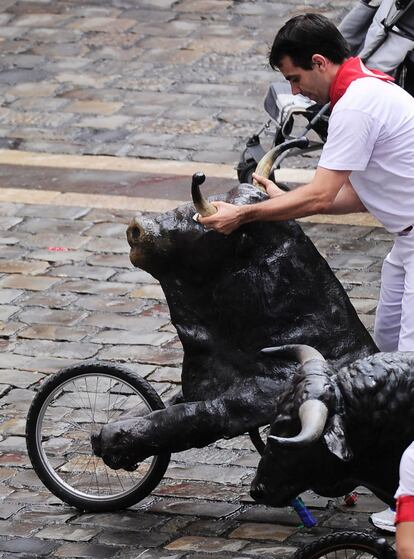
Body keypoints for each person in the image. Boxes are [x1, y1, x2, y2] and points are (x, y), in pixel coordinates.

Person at [198, 12, 414, 539]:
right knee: (384, 357)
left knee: (410, 376)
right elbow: (360, 193)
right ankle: (381, 465)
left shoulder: (356, 105)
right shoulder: (368, 92)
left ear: (320, 63)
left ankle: (410, 500)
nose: (297, 90)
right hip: (405, 238)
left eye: (296, 78)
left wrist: (244, 214)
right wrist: (283, 202)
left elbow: (321, 193)